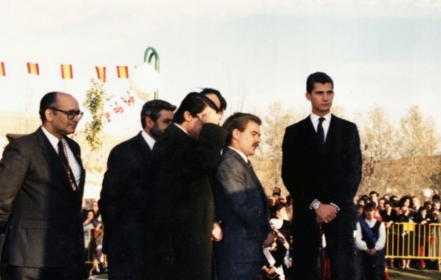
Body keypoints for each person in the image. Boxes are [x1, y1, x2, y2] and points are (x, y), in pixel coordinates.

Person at [0, 92, 86, 280]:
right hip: (30, 258)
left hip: (68, 256)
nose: (76, 119)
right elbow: (0, 200)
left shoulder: (73, 148)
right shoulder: (24, 147)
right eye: (70, 113)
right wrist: (16, 235)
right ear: (50, 114)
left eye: (78, 114)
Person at [282, 72, 363, 280]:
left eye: (329, 92)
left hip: (340, 213)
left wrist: (334, 205)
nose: (325, 97)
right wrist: (316, 204)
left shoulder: (348, 130)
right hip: (307, 212)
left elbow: (354, 173)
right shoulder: (294, 132)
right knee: (305, 270)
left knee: (343, 270)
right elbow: (289, 174)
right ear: (308, 95)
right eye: (319, 93)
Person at [143, 92, 225, 280]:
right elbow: (201, 163)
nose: (207, 128)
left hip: (189, 245)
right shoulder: (171, 141)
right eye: (204, 120)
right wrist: (212, 129)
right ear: (188, 115)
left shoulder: (185, 143)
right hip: (179, 251)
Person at [99, 99, 176, 280]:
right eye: (166, 122)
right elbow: (109, 200)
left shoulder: (171, 154)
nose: (171, 128)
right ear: (149, 121)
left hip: (159, 250)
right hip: (128, 249)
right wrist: (125, 236)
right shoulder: (124, 152)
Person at [213, 112, 275, 279]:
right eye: (253, 134)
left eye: (259, 135)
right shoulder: (229, 164)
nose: (258, 140)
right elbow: (241, 205)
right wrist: (265, 232)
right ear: (236, 133)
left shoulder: (241, 163)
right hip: (237, 256)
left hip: (246, 254)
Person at [355, 202, 386, 280]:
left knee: (376, 274)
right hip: (363, 253)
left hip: (376, 253)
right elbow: (358, 239)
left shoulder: (380, 224)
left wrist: (375, 248)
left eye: (371, 210)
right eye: (367, 211)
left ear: (374, 211)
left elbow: (382, 238)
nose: (369, 212)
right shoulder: (360, 224)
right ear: (364, 212)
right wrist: (365, 248)